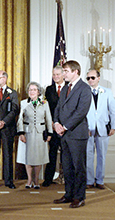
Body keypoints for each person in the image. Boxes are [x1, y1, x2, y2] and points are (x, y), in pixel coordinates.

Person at [53, 60, 92, 208]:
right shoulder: (65, 88)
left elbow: (81, 112)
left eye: (66, 71)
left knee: (78, 167)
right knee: (67, 167)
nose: (63, 74)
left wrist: (65, 126)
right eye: (63, 71)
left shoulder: (84, 88)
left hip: (77, 134)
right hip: (64, 135)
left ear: (75, 71)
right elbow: (58, 107)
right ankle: (68, 194)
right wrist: (56, 123)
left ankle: (79, 197)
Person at [17, 82, 53, 189]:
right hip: (27, 132)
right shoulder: (24, 103)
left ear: (38, 92)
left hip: (40, 133)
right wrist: (21, 133)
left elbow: (48, 118)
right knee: (27, 157)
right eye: (30, 90)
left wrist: (50, 133)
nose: (32, 92)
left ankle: (36, 180)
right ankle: (29, 180)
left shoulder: (44, 103)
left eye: (34, 90)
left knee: (38, 156)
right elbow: (20, 119)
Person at [0, 70, 19, 189]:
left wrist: (4, 122)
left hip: (7, 128)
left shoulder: (12, 93)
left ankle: (9, 181)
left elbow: (14, 110)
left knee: (7, 155)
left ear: (5, 78)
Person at [86, 69, 115, 189]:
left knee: (101, 155)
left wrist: (113, 126)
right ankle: (89, 181)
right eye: (88, 78)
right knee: (88, 155)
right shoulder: (84, 92)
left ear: (98, 78)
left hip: (103, 128)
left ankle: (100, 180)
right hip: (88, 128)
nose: (90, 80)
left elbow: (113, 111)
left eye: (92, 78)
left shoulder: (107, 92)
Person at [42, 66, 67, 187]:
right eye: (54, 75)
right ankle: (48, 179)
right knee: (52, 153)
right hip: (52, 126)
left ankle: (66, 178)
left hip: (66, 127)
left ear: (63, 75)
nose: (55, 77)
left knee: (66, 154)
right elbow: (47, 108)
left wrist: (64, 125)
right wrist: (52, 123)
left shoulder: (69, 87)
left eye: (58, 74)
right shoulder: (49, 89)